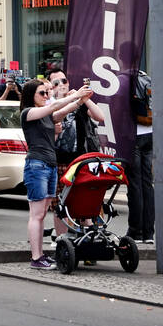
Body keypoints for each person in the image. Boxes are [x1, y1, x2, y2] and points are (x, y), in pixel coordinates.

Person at [21, 77, 95, 270]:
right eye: (42, 93)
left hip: (49, 164)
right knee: (37, 214)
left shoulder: (44, 114)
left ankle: (40, 256)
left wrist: (79, 101)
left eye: (47, 93)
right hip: (36, 165)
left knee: (43, 211)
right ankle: (36, 257)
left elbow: (60, 112)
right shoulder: (29, 112)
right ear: (31, 95)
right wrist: (76, 96)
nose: (47, 96)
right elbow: (55, 109)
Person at [48, 68, 106, 238]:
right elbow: (55, 118)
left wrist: (85, 99)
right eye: (56, 83)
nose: (61, 85)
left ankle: (87, 238)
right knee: (60, 203)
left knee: (83, 200)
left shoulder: (80, 104)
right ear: (51, 87)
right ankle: (61, 240)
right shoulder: (50, 105)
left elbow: (100, 116)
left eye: (64, 81)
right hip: (60, 160)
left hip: (80, 160)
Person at [126, 69, 155, 244]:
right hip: (149, 133)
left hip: (134, 135)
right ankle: (148, 233)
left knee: (134, 183)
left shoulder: (125, 79)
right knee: (147, 184)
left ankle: (135, 231)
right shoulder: (146, 77)